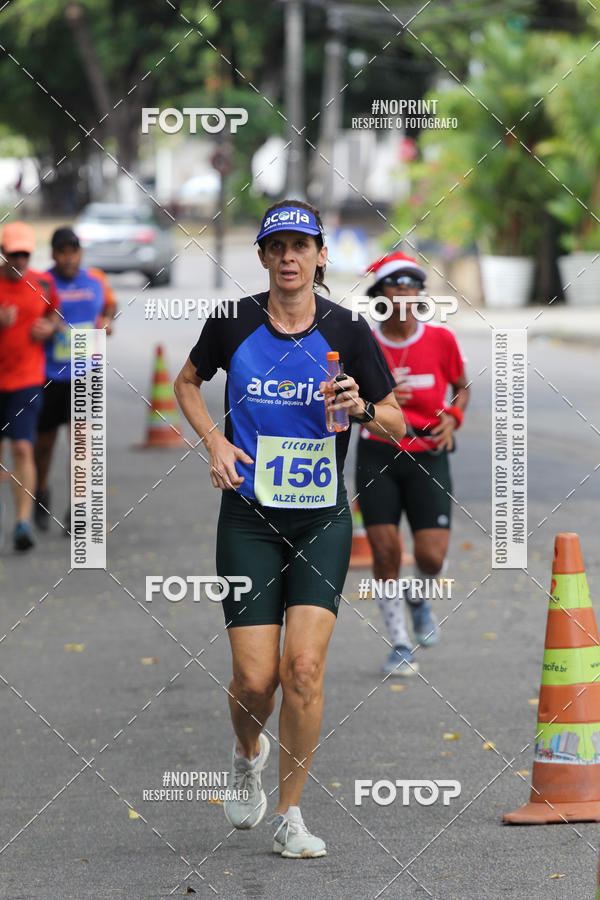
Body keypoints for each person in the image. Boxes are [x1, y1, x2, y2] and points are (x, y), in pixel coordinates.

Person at [174, 200, 405, 858]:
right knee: (255, 681)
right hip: (248, 518)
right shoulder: (233, 322)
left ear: (321, 256)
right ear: (264, 257)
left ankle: (292, 814)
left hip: (322, 519)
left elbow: (396, 423)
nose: (289, 257)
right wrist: (214, 442)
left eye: (301, 246)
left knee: (302, 669)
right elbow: (186, 384)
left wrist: (361, 405)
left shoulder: (349, 329)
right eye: (277, 246)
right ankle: (247, 753)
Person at [355, 251, 470, 676]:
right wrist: (378, 403)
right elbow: (343, 397)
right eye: (394, 285)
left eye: (412, 285)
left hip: (427, 453)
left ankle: (419, 597)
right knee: (385, 550)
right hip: (378, 451)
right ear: (379, 294)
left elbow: (461, 387)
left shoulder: (440, 340)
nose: (403, 293)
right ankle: (400, 643)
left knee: (432, 557)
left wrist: (453, 418)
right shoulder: (364, 342)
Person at [34, 226, 116, 534]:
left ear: (80, 253)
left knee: (82, 444)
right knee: (44, 444)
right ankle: (41, 489)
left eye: (73, 251)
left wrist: (108, 322)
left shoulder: (96, 281)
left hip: (86, 374)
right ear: (53, 254)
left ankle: (78, 511)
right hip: (49, 376)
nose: (69, 258)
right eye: (62, 252)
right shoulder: (42, 283)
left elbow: (110, 308)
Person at [0, 222, 61, 551]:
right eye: (14, 254)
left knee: (22, 448)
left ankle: (23, 524)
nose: (20, 260)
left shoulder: (43, 283)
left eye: (25, 254)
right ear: (3, 253)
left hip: (26, 380)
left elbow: (55, 314)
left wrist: (49, 327)